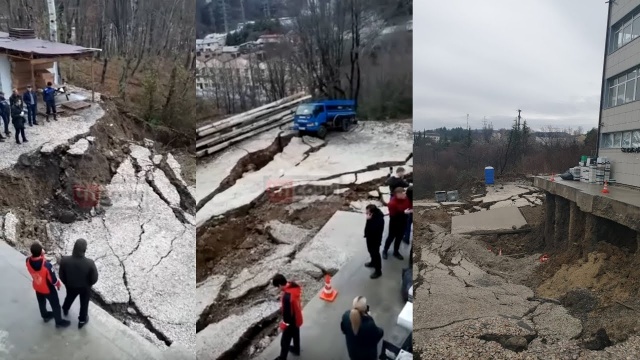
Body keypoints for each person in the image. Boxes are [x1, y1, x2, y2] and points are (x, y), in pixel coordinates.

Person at [25, 241, 71, 328]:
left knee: (41, 302)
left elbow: (35, 262)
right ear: (41, 252)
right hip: (47, 289)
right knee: (55, 305)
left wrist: (41, 255)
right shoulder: (47, 266)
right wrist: (58, 284)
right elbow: (52, 280)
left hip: (37, 286)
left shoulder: (27, 261)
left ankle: (45, 316)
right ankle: (59, 322)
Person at [59, 238, 99, 329]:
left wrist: (67, 283)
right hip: (85, 288)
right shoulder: (90, 263)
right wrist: (88, 284)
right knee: (84, 304)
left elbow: (61, 275)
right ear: (84, 250)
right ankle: (81, 321)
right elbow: (94, 279)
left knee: (69, 298)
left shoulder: (65, 260)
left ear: (74, 248)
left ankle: (65, 309)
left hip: (71, 286)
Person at [272, 274, 303, 360]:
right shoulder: (293, 286)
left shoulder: (287, 297)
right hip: (298, 317)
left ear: (279, 285)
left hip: (291, 322)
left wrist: (283, 326)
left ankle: (282, 358)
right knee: (296, 335)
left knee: (284, 342)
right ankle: (296, 349)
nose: (278, 289)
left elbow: (287, 316)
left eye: (277, 287)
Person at [383, 187, 412, 260]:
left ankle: (396, 251)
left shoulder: (406, 199)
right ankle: (385, 250)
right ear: (397, 195)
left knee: (399, 238)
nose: (405, 194)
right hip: (394, 223)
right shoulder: (392, 203)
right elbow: (393, 216)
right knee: (391, 237)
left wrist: (411, 210)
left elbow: (409, 206)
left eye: (404, 193)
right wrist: (404, 212)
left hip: (404, 222)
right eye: (403, 194)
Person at [364, 204, 385, 279]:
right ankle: (373, 262)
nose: (366, 214)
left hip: (375, 240)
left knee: (376, 254)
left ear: (372, 212)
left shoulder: (379, 219)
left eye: (367, 212)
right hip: (369, 238)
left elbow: (373, 230)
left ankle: (378, 271)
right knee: (370, 251)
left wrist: (368, 220)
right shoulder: (372, 216)